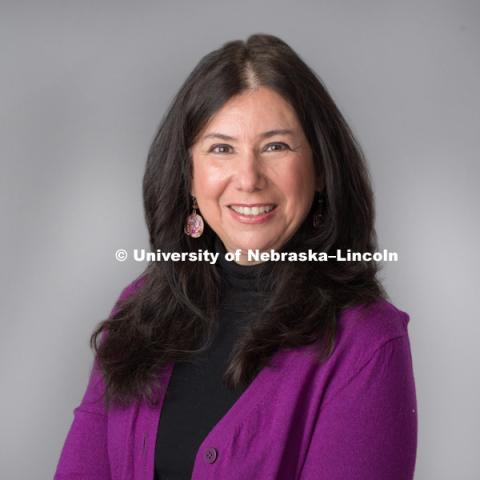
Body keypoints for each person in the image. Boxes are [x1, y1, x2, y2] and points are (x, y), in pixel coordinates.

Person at [54, 33, 417, 480]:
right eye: (221, 148)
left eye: (276, 146)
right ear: (188, 175)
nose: (248, 178)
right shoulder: (139, 311)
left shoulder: (365, 342)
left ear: (321, 169)